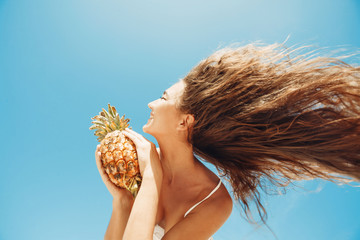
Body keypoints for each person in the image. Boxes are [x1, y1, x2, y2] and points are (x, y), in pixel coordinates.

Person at [95, 43, 360, 240]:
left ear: (184, 122)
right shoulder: (135, 168)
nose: (151, 103)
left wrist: (152, 175)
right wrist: (122, 202)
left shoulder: (214, 201)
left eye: (164, 98)